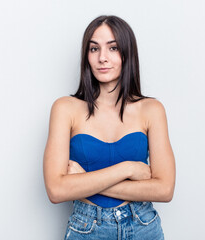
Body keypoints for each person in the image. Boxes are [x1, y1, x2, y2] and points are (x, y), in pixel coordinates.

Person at [43, 15, 176, 240]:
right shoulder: (65, 109)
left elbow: (164, 190)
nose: (102, 58)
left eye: (112, 48)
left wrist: (84, 181)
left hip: (143, 225)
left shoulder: (152, 110)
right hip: (87, 228)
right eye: (94, 49)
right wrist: (128, 169)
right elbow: (56, 191)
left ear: (127, 54)